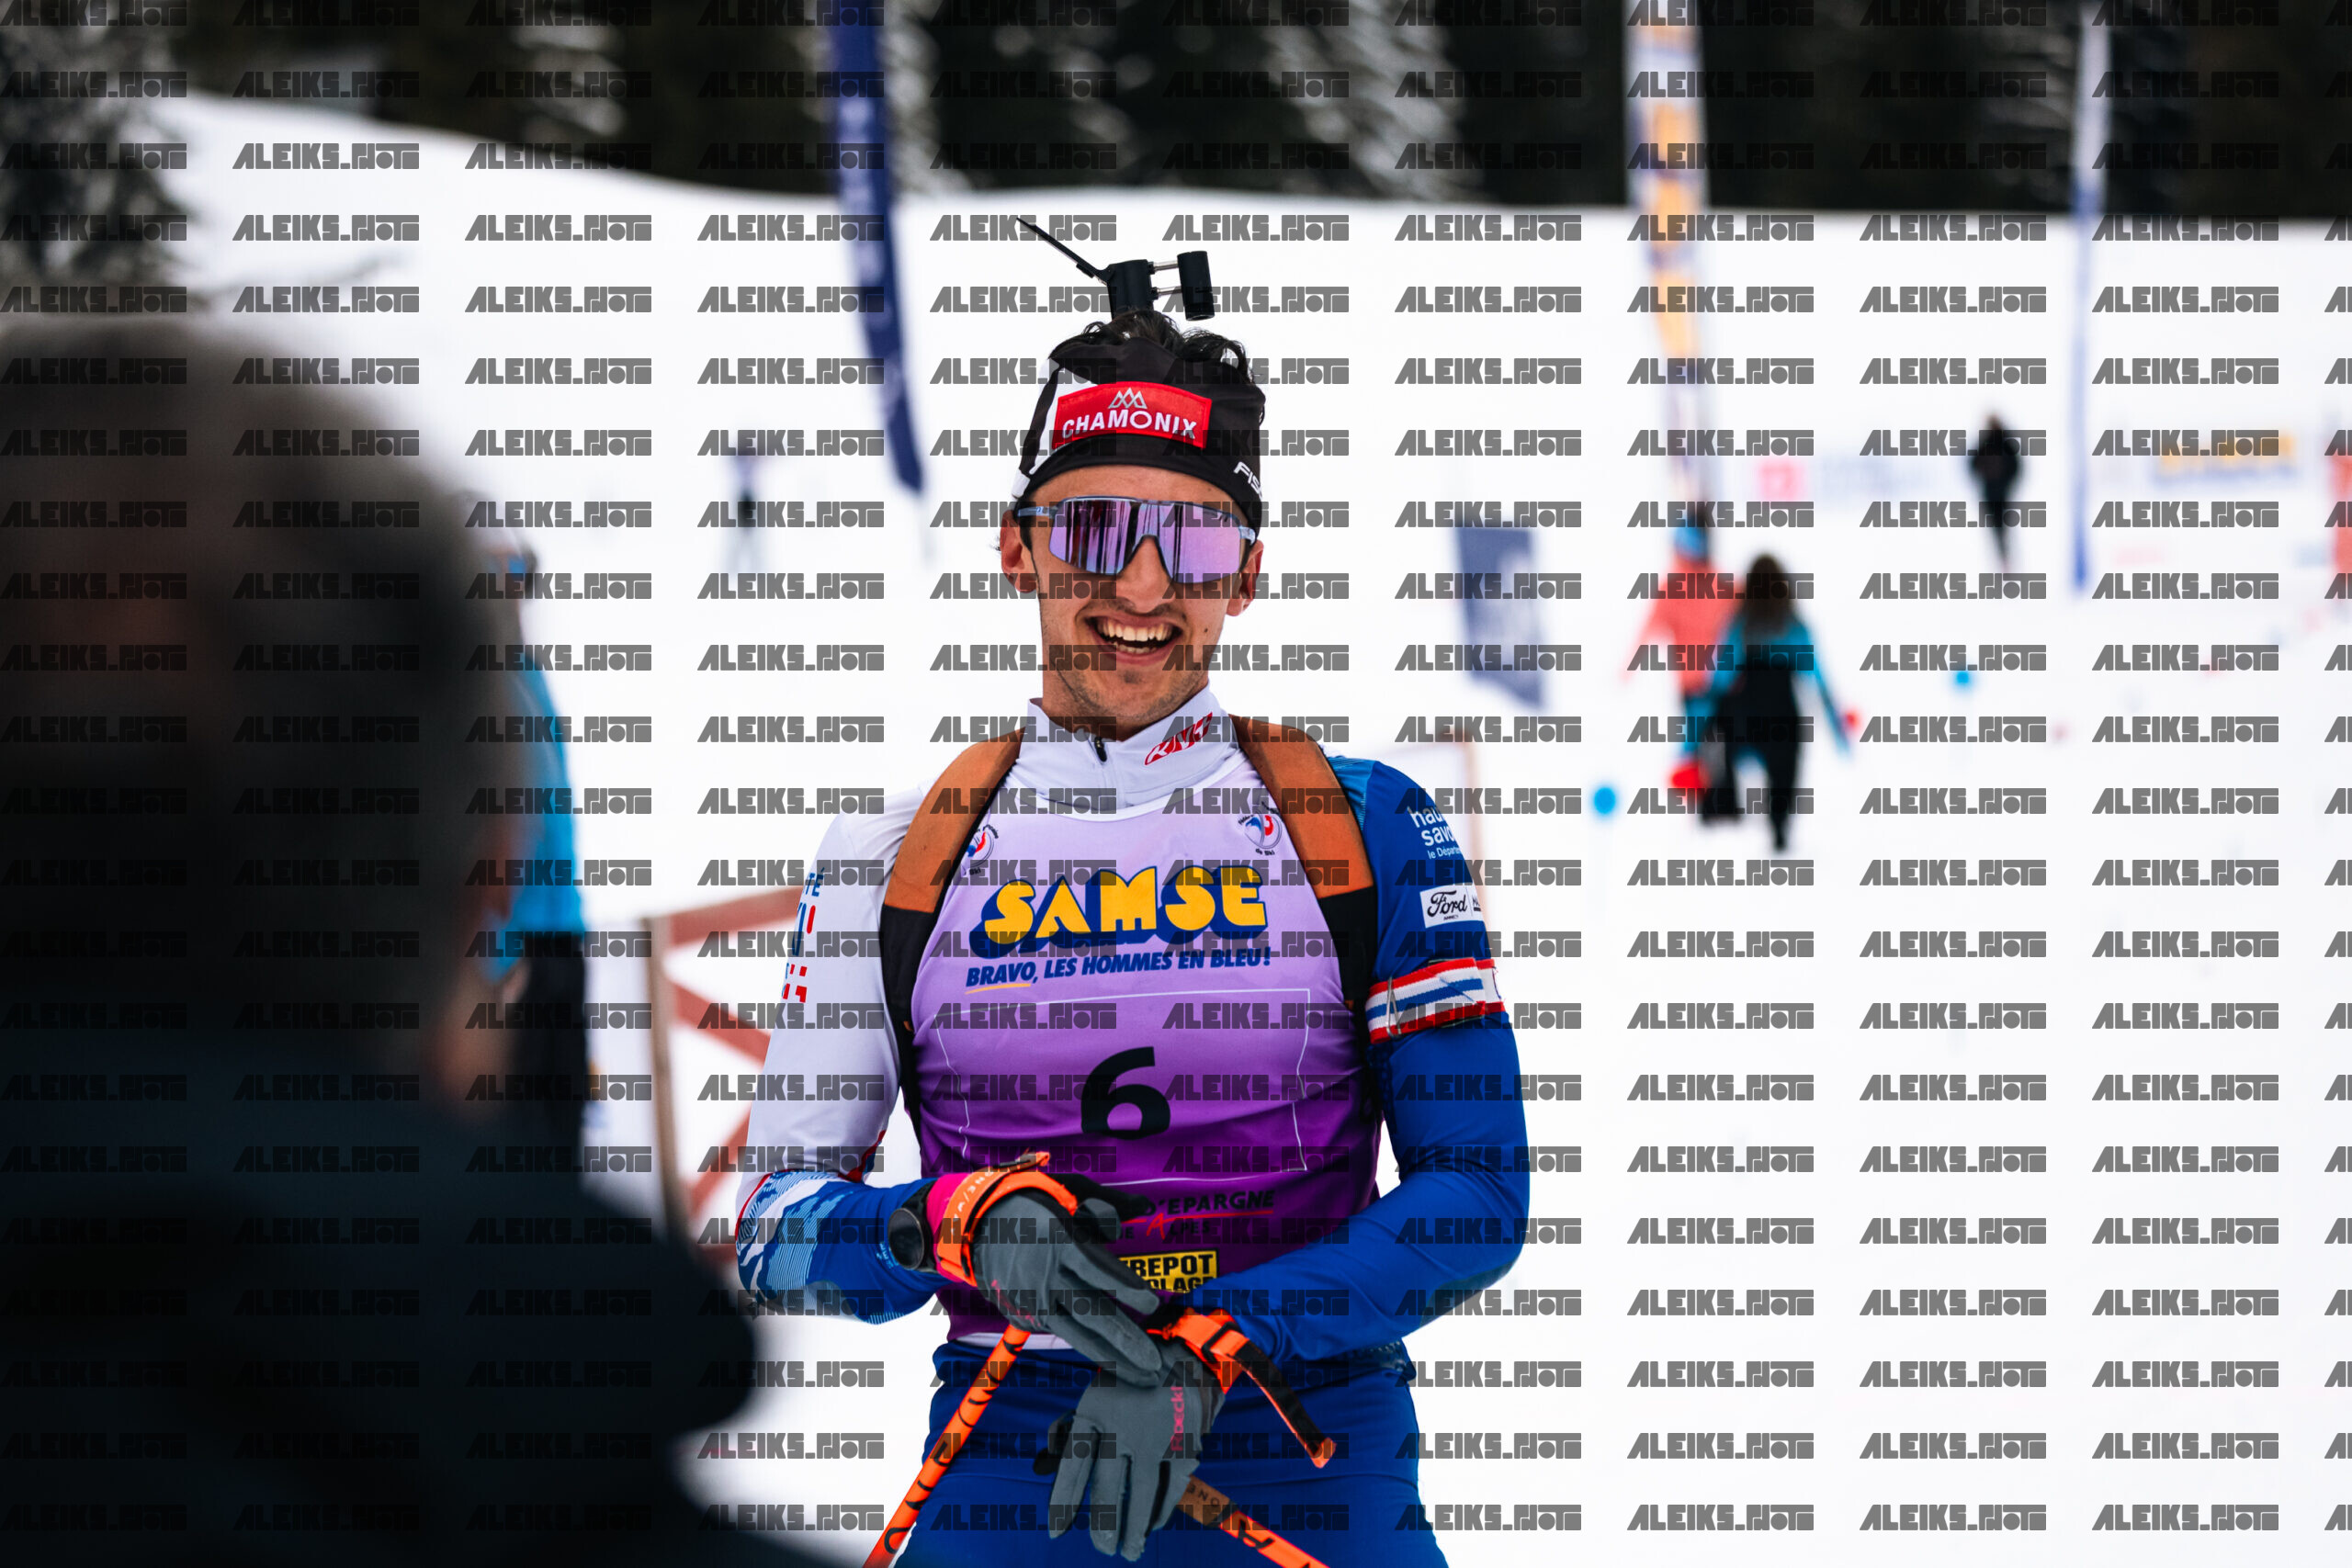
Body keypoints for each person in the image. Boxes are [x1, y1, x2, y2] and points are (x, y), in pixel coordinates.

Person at [0, 318, 819, 1567]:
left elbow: (526, 817)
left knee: (518, 1148)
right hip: (484, 960)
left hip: (510, 950)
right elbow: (504, 816)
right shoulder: (494, 698)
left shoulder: (516, 692)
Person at [734, 308, 1532, 1564]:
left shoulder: (1365, 823)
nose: (1146, 587)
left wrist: (1221, 1338)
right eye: (1095, 531)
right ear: (1018, 547)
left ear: (1247, 575)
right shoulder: (896, 851)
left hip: (1308, 1452)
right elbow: (773, 1227)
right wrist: (951, 1224)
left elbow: (1477, 1194)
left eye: (1197, 540)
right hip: (1014, 1467)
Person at [1689, 554, 1849, 853]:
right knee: (1784, 769)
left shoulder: (1740, 624)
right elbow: (1819, 681)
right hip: (1783, 714)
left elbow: (1720, 677)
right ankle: (1778, 826)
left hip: (1745, 716)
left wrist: (1694, 737)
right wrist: (1839, 731)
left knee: (1720, 738)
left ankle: (1722, 803)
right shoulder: (1795, 626)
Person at [1969, 415, 2023, 566]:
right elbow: (1973, 464)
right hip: (1990, 493)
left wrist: (2007, 483)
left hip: (2002, 494)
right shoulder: (1985, 443)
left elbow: (2016, 467)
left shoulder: (2005, 443)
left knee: (2004, 527)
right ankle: (2003, 559)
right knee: (1996, 527)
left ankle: (2007, 558)